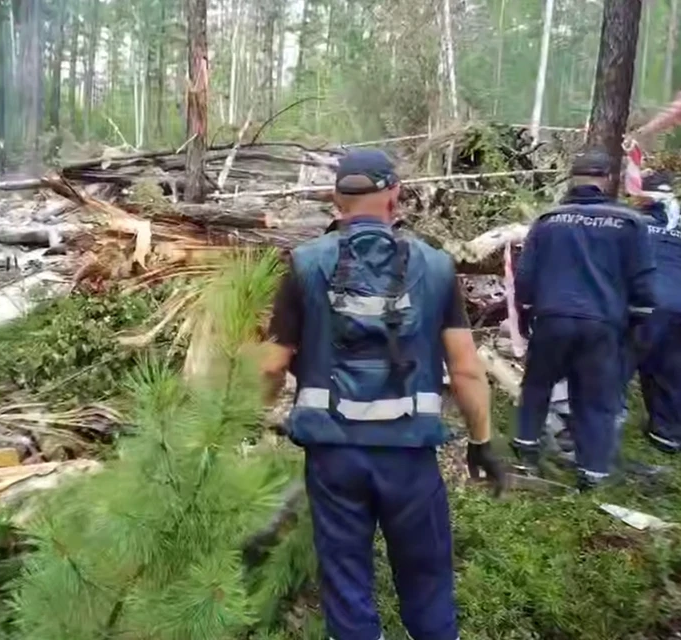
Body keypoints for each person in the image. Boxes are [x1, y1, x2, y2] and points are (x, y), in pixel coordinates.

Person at [262, 149, 504, 640]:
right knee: (427, 581)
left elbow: (271, 363)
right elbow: (466, 370)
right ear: (394, 195)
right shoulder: (435, 267)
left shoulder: (305, 265)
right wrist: (482, 440)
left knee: (348, 585)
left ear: (336, 199)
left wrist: (245, 415)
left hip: (333, 460)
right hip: (410, 460)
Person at [511, 148, 657, 489]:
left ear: (573, 177)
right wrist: (636, 323)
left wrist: (526, 315)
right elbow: (644, 281)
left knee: (536, 386)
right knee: (596, 398)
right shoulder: (629, 222)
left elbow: (525, 277)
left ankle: (526, 452)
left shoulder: (548, 221)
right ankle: (593, 471)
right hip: (602, 323)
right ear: (607, 179)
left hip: (552, 317)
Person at [634, 171, 681, 453]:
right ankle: (667, 432)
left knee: (623, 362)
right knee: (673, 366)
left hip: (649, 303)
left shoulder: (636, 223)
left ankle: (595, 436)